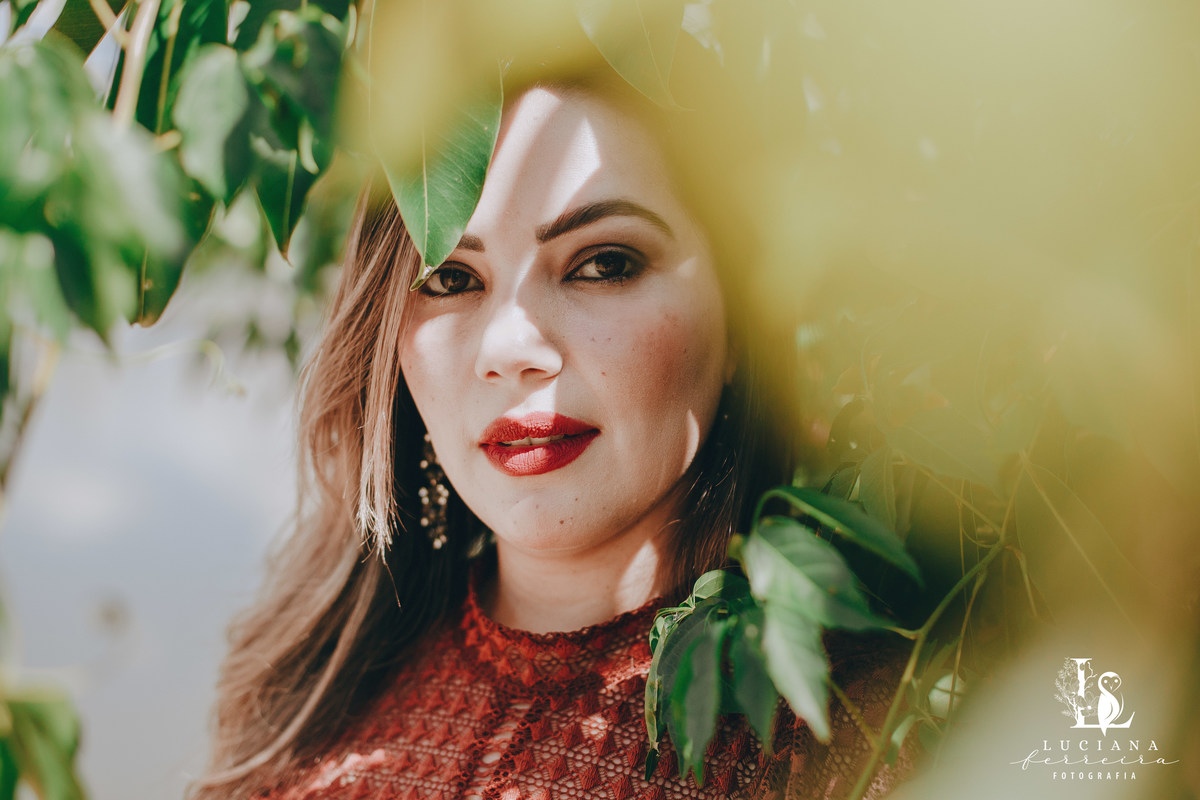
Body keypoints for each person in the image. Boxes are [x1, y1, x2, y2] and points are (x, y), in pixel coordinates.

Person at [190, 77, 910, 800]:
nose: (509, 346)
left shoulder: (874, 739)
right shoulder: (301, 706)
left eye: (606, 263)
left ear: (741, 314)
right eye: (448, 276)